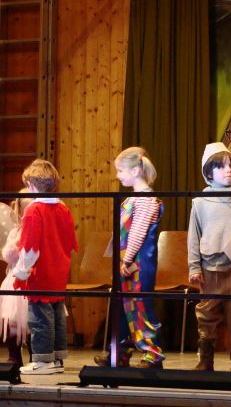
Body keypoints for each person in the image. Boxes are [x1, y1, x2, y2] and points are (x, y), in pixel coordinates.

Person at [187, 142, 231, 372]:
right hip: (209, 268)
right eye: (221, 166)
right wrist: (194, 267)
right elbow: (194, 236)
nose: (228, 170)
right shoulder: (199, 203)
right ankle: (206, 359)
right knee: (206, 314)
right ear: (209, 173)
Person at [94, 147, 164, 368]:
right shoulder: (133, 198)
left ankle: (153, 353)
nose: (118, 175)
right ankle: (119, 353)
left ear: (135, 171)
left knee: (139, 306)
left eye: (121, 171)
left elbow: (138, 232)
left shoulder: (145, 199)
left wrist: (127, 259)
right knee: (123, 308)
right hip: (127, 263)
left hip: (139, 264)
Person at [13, 160, 78, 375]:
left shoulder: (34, 210)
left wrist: (21, 272)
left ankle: (42, 360)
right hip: (59, 269)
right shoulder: (63, 208)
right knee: (57, 314)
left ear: (31, 185)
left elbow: (30, 248)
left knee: (39, 317)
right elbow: (70, 242)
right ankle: (57, 358)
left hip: (41, 271)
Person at [0, 190, 32, 368]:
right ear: (19, 214)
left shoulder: (39, 230)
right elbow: (7, 255)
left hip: (33, 279)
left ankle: (36, 357)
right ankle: (14, 356)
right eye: (24, 212)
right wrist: (18, 240)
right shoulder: (15, 232)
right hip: (14, 280)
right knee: (12, 320)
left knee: (33, 321)